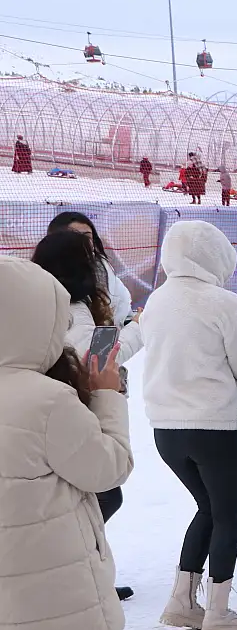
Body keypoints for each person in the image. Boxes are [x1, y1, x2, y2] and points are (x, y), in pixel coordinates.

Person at [0, 256, 132, 630]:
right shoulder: (48, 399)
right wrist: (108, 394)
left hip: (10, 591)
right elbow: (108, 466)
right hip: (52, 590)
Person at [143, 220, 237, 630]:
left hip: (165, 429)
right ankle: (218, 610)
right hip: (213, 427)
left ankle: (182, 600)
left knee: (208, 508)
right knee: (226, 513)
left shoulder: (156, 301)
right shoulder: (223, 302)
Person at [31, 229, 144, 601]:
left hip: (40, 416)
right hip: (74, 416)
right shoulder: (78, 312)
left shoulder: (37, 301)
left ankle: (88, 575)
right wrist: (138, 330)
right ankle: (81, 577)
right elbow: (100, 364)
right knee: (102, 497)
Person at [46, 211, 134, 325]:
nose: (82, 241)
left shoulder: (105, 269)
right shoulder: (47, 275)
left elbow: (123, 307)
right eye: (75, 236)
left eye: (87, 236)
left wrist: (132, 323)